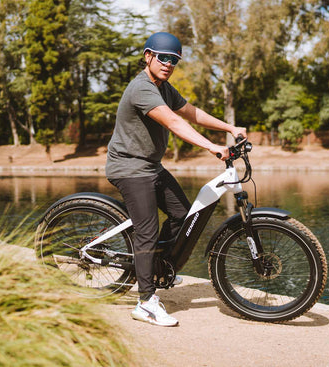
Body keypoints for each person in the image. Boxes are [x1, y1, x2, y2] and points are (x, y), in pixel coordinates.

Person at [106, 32, 246, 327]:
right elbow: (173, 121)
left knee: (184, 215)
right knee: (147, 230)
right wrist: (211, 146)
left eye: (174, 60)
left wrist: (229, 127)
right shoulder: (142, 88)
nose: (168, 64)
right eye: (163, 57)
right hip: (129, 168)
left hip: (151, 166)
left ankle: (157, 267)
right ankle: (145, 302)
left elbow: (190, 112)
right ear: (148, 56)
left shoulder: (164, 88)